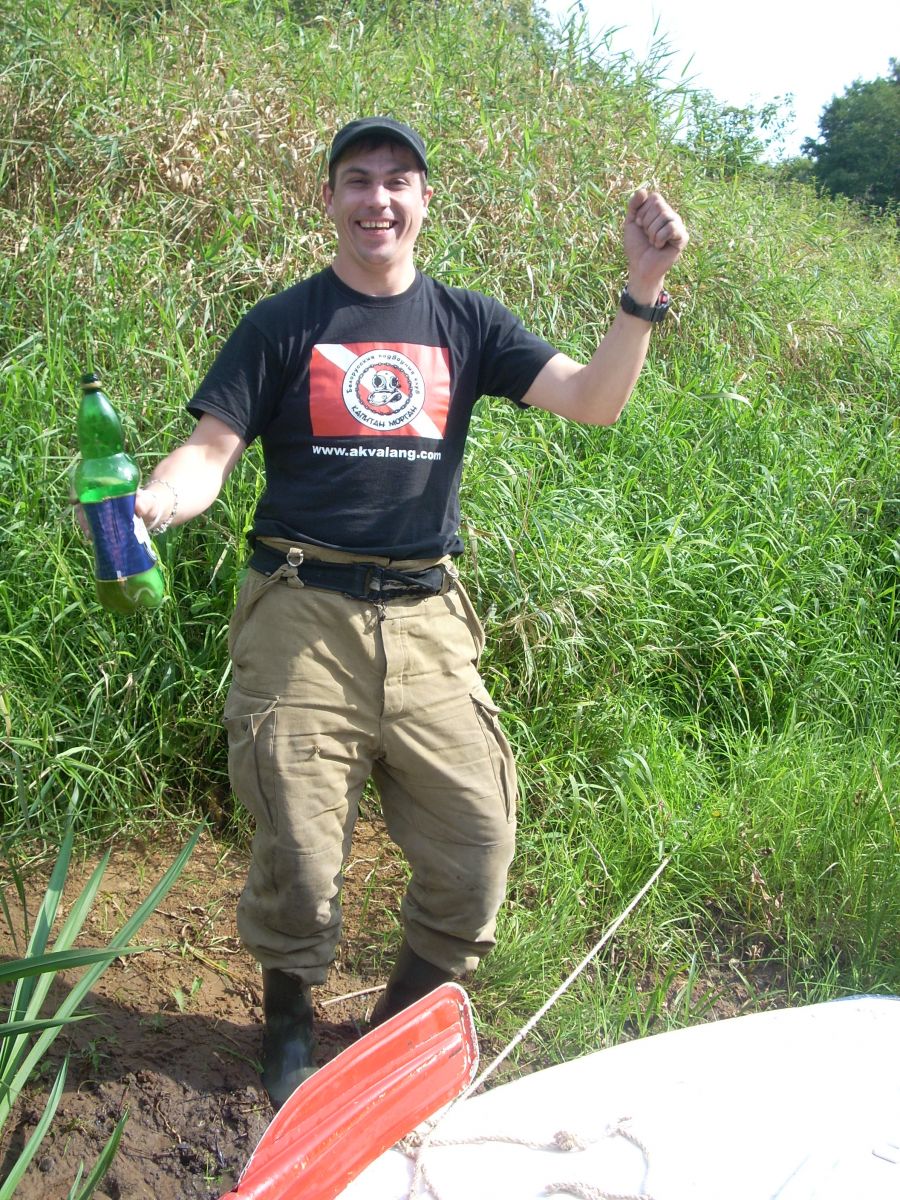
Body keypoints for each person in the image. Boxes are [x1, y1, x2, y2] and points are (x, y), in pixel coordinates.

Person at [131, 117, 688, 1108]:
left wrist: (642, 287)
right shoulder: (283, 323)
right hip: (302, 609)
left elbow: (593, 399)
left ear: (425, 200)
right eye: (357, 180)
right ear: (330, 200)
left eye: (397, 180)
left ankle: (390, 1032)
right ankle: (289, 1022)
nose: (377, 198)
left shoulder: (466, 322)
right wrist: (156, 500)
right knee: (300, 852)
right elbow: (211, 451)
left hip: (429, 615)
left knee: (479, 844)